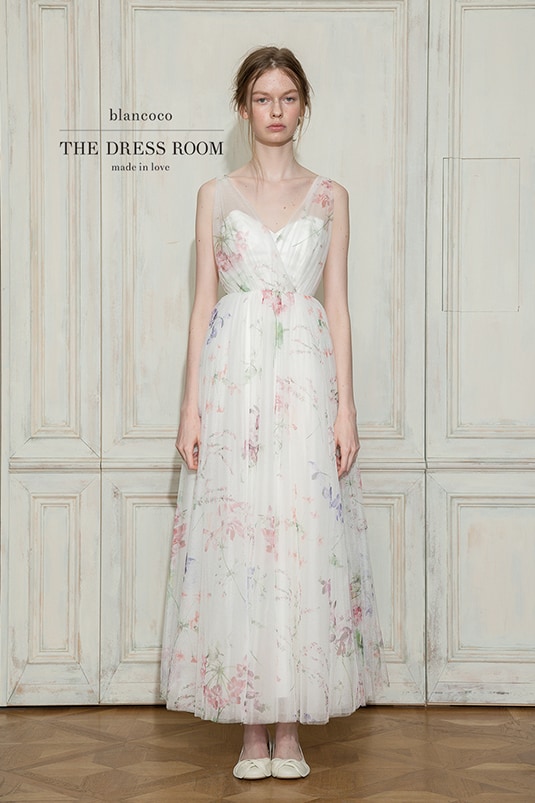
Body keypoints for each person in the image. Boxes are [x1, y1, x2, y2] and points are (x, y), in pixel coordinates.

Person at [160, 45, 385, 781]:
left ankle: (290, 728)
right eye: (263, 98)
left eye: (287, 97)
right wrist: (191, 407)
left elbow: (337, 305)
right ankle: (250, 731)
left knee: (299, 539)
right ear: (243, 108)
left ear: (303, 106)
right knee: (242, 540)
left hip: (304, 386)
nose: (276, 110)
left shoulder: (331, 196)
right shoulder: (214, 195)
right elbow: (202, 305)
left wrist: (346, 408)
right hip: (234, 386)